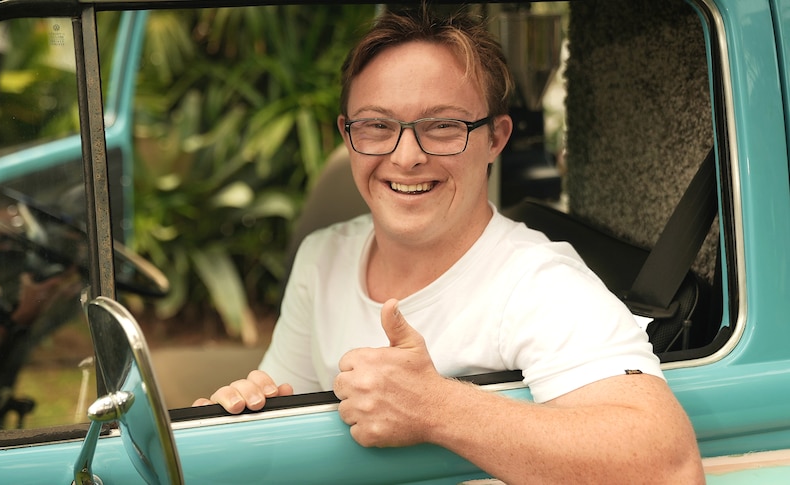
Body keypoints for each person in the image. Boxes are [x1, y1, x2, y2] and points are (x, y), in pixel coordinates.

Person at [194, 6, 704, 483]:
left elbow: (671, 464)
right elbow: (289, 406)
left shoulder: (537, 281)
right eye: (377, 126)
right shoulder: (323, 255)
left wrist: (436, 408)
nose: (407, 155)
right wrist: (247, 405)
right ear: (348, 136)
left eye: (442, 126)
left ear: (496, 139)